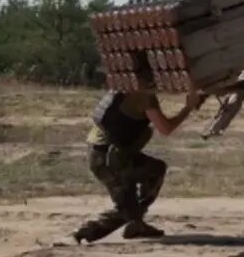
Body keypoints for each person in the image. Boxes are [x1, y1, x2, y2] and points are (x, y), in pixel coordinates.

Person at [71, 89, 205, 243]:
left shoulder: (121, 88)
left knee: (155, 170)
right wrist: (188, 107)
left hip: (107, 153)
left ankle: (136, 224)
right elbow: (165, 128)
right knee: (127, 211)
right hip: (110, 159)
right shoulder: (144, 95)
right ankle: (83, 231)